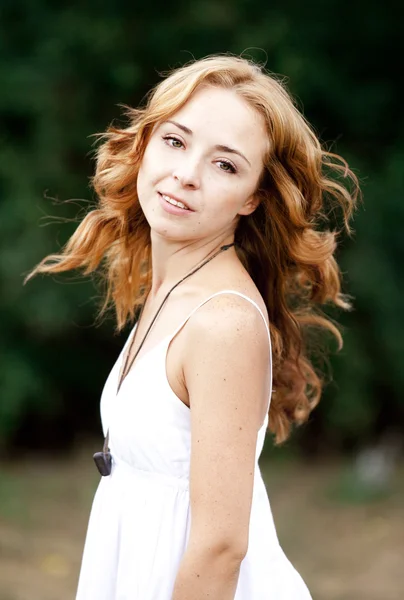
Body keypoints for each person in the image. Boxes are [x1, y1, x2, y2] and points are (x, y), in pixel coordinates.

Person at [26, 54, 359, 599]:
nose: (185, 174)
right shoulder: (174, 287)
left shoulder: (222, 321)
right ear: (146, 142)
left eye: (225, 164)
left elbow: (221, 547)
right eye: (176, 142)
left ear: (253, 197)